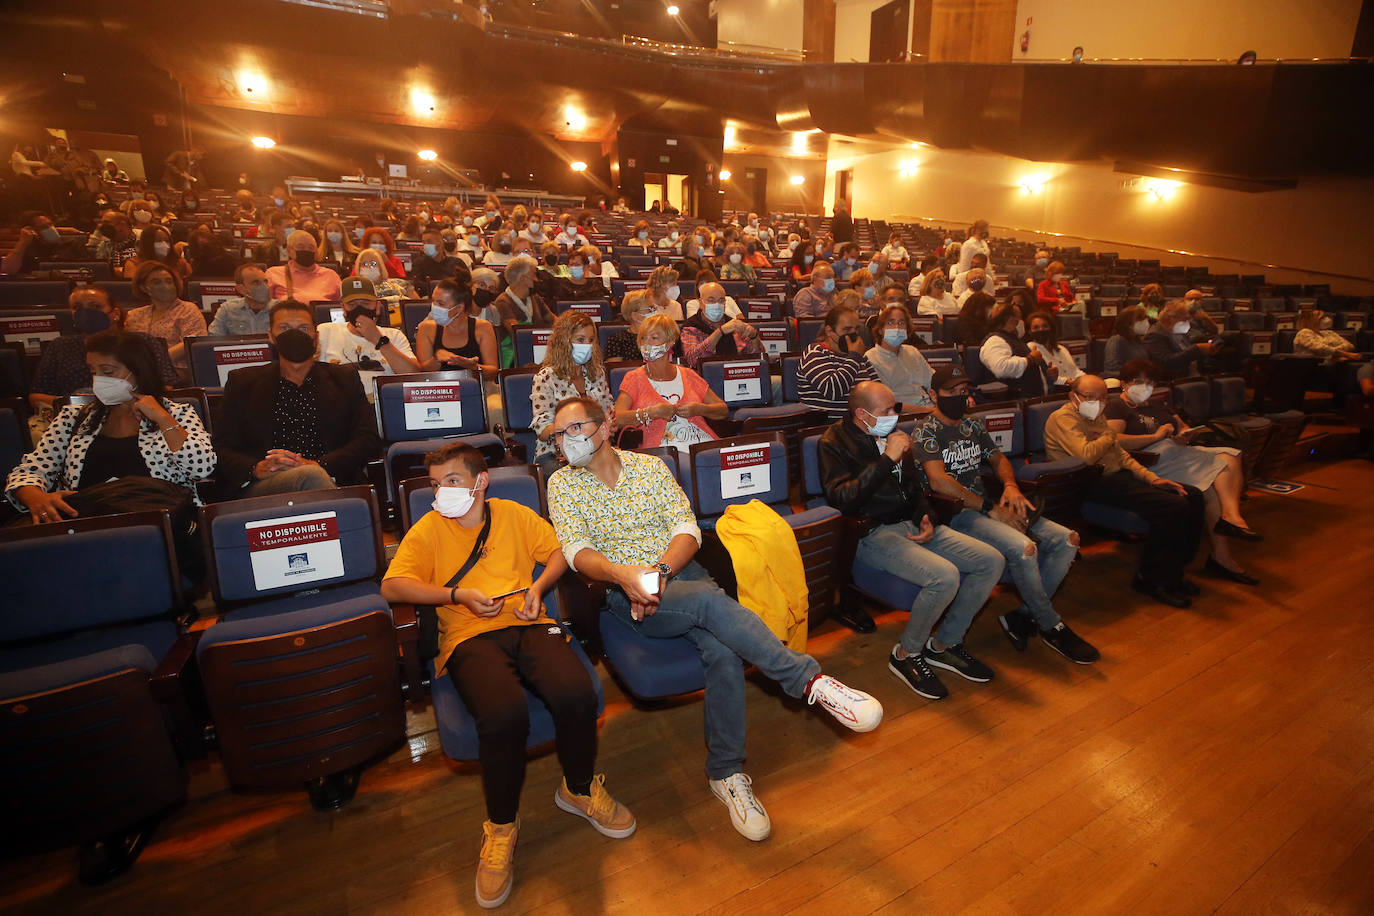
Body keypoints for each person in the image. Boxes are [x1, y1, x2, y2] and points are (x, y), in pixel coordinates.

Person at [545, 395, 882, 840]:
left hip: (679, 574)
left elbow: (686, 529)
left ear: (603, 427)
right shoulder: (562, 484)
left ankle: (726, 774)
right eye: (556, 435)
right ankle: (810, 681)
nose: (564, 442)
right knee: (708, 603)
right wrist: (625, 576)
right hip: (625, 595)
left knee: (721, 648)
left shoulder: (650, 469)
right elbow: (576, 551)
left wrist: (661, 571)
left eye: (573, 430)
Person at [380, 442, 634, 908]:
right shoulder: (429, 529)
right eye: (435, 485)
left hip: (528, 620)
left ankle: (577, 789)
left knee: (578, 692)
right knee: (503, 715)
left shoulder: (513, 514)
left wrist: (538, 588)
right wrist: (455, 595)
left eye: (451, 482)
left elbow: (557, 551)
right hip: (469, 635)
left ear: (480, 482)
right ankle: (501, 826)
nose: (441, 493)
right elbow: (392, 584)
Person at [819, 380, 1006, 687]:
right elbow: (843, 499)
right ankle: (907, 654)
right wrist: (886, 460)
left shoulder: (891, 435)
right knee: (945, 576)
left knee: (991, 560)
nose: (894, 415)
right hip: (873, 533)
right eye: (887, 410)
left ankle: (945, 644)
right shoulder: (834, 442)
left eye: (896, 408)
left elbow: (914, 487)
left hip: (910, 523)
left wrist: (926, 517)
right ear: (862, 414)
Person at [915, 368, 1099, 663]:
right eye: (953, 392)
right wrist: (991, 509)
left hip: (987, 505)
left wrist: (1011, 485)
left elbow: (998, 458)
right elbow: (939, 481)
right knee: (1024, 548)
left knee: (1068, 540)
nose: (961, 397)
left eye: (965, 391)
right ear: (935, 396)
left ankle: (1024, 616)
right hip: (956, 513)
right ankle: (1051, 624)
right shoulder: (926, 431)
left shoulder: (972, 426)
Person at [7, 330, 215, 522]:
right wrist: (35, 497)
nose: (98, 380)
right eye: (93, 371)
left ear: (138, 371)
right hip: (86, 524)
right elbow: (28, 471)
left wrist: (162, 419)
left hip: (160, 524)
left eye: (107, 371)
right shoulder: (73, 419)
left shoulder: (177, 414)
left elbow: (201, 468)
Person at [1044, 375, 1205, 608]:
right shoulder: (1063, 418)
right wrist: (1110, 434)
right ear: (1073, 396)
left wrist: (1154, 479)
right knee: (1173, 506)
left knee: (1192, 496)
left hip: (1116, 477)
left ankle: (1175, 572)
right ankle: (1152, 580)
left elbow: (1121, 456)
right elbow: (1086, 456)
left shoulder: (1097, 417)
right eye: (1090, 397)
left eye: (1101, 398)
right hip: (1085, 481)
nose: (1097, 403)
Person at [1105, 360, 1261, 585]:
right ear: (1123, 384)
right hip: (1152, 459)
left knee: (1230, 456)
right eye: (1138, 382)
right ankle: (1229, 529)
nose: (1145, 387)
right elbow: (1115, 441)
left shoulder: (1157, 404)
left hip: (1178, 451)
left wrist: (1185, 434)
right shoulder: (1116, 406)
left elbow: (1183, 427)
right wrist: (1155, 437)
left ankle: (1228, 524)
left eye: (1150, 382)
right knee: (1221, 469)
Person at [216, 299, 381, 495]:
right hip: (268, 485)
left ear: (316, 337)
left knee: (312, 475)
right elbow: (221, 447)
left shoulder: (345, 378)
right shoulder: (242, 382)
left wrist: (316, 465)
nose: (294, 334)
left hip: (332, 477)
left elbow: (368, 439)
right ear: (271, 336)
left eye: (303, 328)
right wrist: (256, 468)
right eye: (284, 328)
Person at [28, 289, 178, 413]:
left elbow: (166, 387)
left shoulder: (143, 341)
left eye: (95, 307)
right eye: (78, 307)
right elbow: (37, 395)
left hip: (133, 412)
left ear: (115, 314)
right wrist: (80, 404)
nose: (86, 313)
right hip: (73, 415)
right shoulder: (60, 345)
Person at [614, 315, 725, 451]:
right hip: (663, 451)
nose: (646, 343)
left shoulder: (688, 375)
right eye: (643, 338)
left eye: (654, 338)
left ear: (670, 342)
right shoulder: (634, 378)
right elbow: (616, 419)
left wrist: (699, 409)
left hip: (701, 445)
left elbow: (722, 410)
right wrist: (651, 413)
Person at [527, 312, 617, 478]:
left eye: (591, 340)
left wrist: (609, 425)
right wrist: (574, 430)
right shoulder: (546, 377)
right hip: (555, 453)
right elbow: (542, 428)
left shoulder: (597, 374)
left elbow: (607, 413)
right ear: (564, 341)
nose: (587, 345)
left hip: (596, 447)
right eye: (581, 340)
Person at [317, 277, 420, 399]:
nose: (359, 309)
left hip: (383, 403)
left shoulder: (394, 335)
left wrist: (379, 340)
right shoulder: (325, 331)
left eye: (366, 303)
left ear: (377, 307)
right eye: (352, 304)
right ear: (343, 309)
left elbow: (413, 376)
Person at [122, 261, 206, 378]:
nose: (166, 286)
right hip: (140, 369)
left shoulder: (187, 309)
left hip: (177, 369)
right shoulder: (134, 315)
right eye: (157, 282)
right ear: (144, 288)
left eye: (169, 281)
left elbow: (191, 342)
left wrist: (156, 363)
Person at [798, 305, 879, 421]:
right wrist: (854, 357)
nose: (853, 334)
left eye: (856, 329)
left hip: (862, 425)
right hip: (827, 428)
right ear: (829, 331)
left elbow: (877, 389)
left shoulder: (860, 356)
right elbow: (833, 391)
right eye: (847, 330)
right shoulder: (815, 353)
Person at [416, 279, 499, 381]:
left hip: (476, 387)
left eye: (441, 303)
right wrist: (437, 359)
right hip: (440, 389)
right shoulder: (426, 328)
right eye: (433, 301)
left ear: (459, 307)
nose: (434, 307)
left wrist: (472, 366)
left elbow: (492, 373)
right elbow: (423, 373)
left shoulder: (483, 327)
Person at [679, 281, 760, 371]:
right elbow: (692, 360)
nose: (717, 304)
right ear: (701, 303)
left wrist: (754, 337)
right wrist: (719, 332)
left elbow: (756, 358)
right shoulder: (691, 327)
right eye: (711, 300)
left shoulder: (733, 325)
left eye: (721, 300)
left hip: (735, 376)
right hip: (705, 379)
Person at [865, 303, 934, 408]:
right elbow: (883, 403)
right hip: (903, 415)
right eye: (890, 323)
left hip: (929, 406)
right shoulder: (871, 358)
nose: (897, 328)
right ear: (880, 330)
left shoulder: (912, 352)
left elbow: (932, 381)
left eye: (901, 323)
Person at [979, 301, 1051, 398]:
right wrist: (1030, 359)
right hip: (1014, 403)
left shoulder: (1015, 340)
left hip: (1033, 399)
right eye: (1019, 318)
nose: (1021, 322)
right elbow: (1001, 368)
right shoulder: (995, 341)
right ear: (1011, 320)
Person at [265, 229, 343, 304]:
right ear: (289, 250)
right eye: (300, 247)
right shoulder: (273, 273)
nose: (306, 250)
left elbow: (341, 305)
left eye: (311, 248)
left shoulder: (331, 275)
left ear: (316, 252)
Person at [1144, 301, 1215, 379]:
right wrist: (1197, 349)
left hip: (1193, 374)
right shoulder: (1155, 335)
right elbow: (1167, 362)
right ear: (1170, 318)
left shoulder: (1177, 331)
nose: (1187, 322)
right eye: (1185, 319)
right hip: (1177, 378)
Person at [1, 210, 86, 274]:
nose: (51, 229)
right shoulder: (27, 248)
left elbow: (87, 270)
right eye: (44, 227)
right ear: (33, 231)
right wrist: (22, 243)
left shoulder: (71, 244)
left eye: (51, 224)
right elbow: (7, 269)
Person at [208, 264, 278, 336]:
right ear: (241, 289)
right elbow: (213, 339)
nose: (264, 286)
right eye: (256, 282)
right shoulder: (228, 310)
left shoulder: (279, 309)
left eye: (265, 281)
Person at [1026, 311, 1083, 389]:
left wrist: (1088, 379)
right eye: (1036, 327)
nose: (1041, 329)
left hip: (1077, 386)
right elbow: (1044, 378)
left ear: (1051, 328)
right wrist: (1071, 382)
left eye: (1045, 326)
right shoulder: (1030, 349)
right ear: (1029, 332)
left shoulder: (1062, 349)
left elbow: (1075, 372)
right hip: (1057, 390)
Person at [408, 229, 471, 297]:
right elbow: (418, 285)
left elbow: (468, 282)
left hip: (456, 297)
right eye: (424, 242)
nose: (426, 245)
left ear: (441, 243)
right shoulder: (419, 263)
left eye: (429, 241)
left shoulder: (456, 262)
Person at [604, 290, 656, 362]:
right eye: (650, 309)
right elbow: (615, 370)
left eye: (654, 308)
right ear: (635, 316)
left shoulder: (662, 335)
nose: (654, 313)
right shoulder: (617, 339)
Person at [352, 247, 417, 302]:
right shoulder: (354, 290)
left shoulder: (400, 283)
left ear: (381, 266)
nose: (369, 267)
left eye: (373, 263)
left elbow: (416, 306)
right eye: (365, 264)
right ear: (358, 268)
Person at [1104, 305, 1151, 377]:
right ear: (1128, 323)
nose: (1145, 322)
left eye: (1145, 318)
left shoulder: (1138, 341)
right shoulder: (1115, 341)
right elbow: (1111, 369)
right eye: (1140, 319)